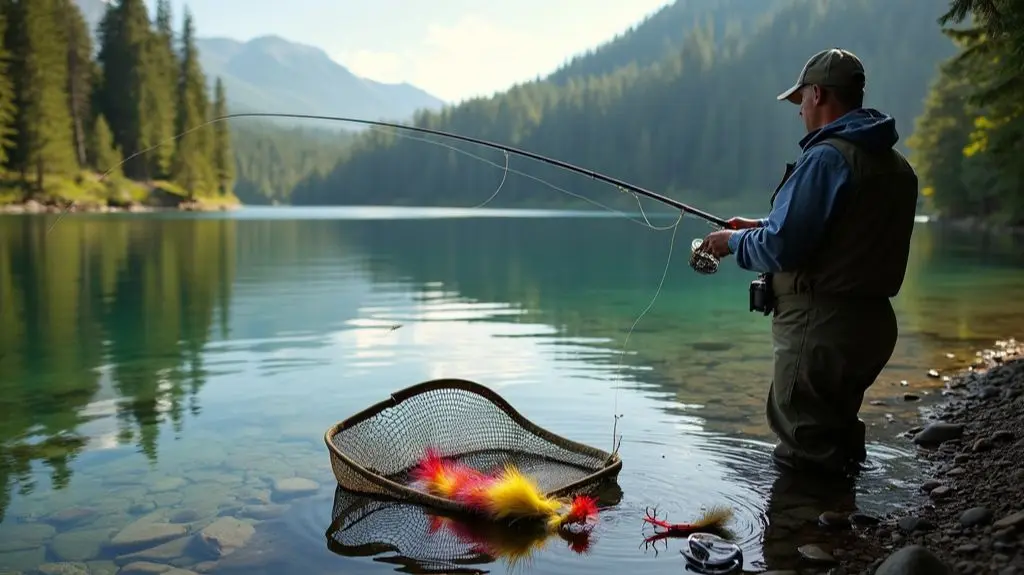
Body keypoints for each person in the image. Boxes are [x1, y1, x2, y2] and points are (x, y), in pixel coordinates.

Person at [698, 48, 919, 476]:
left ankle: (802, 536)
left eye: (801, 100)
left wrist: (733, 242)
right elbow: (842, 229)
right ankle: (838, 528)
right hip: (871, 325)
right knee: (834, 430)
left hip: (822, 327)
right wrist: (761, 223)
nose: (799, 111)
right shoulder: (894, 164)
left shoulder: (827, 157)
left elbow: (782, 247)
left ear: (817, 93)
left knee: (804, 445)